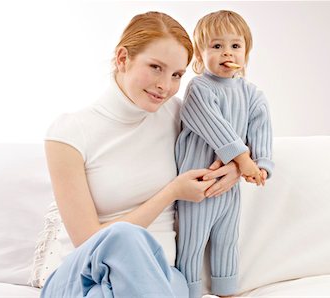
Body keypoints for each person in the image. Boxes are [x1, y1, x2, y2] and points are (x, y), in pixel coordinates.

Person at [40, 11, 241, 298]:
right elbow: (87, 240)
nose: (166, 86)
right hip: (81, 276)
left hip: (160, 277)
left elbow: (236, 143)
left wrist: (235, 168)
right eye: (156, 67)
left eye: (176, 75)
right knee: (124, 237)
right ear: (123, 58)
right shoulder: (69, 132)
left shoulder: (181, 116)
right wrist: (171, 192)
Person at [175, 10, 274, 298]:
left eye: (235, 46)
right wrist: (243, 161)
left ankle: (227, 291)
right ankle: (189, 292)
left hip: (230, 190)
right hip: (199, 183)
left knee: (227, 240)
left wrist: (262, 165)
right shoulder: (198, 89)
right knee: (192, 242)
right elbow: (217, 129)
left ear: (246, 52)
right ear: (200, 54)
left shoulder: (252, 94)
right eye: (216, 46)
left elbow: (260, 132)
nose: (226, 53)